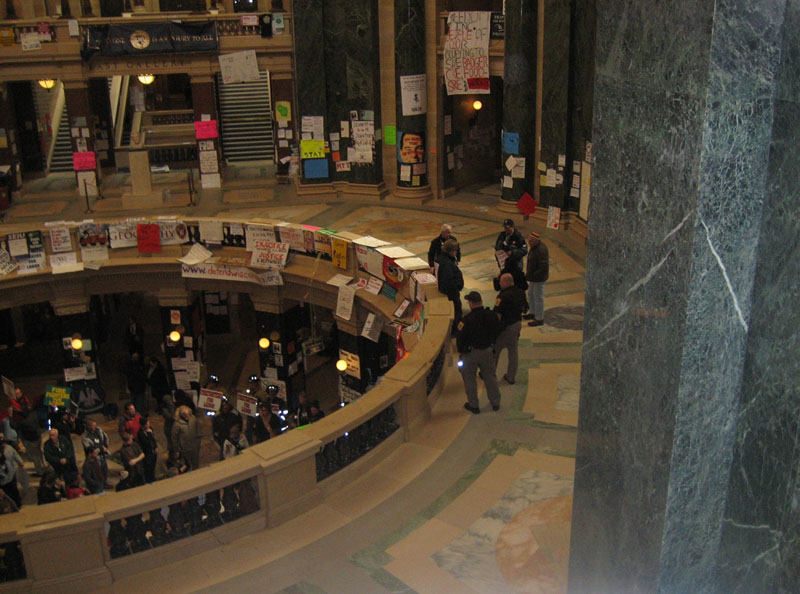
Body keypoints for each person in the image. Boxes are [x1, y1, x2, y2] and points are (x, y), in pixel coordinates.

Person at [457, 291, 502, 414]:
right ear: (481, 302)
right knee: (490, 377)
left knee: (470, 380)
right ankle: (495, 402)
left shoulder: (465, 320)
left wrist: (461, 352)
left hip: (470, 354)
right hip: (487, 351)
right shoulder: (491, 315)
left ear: (471, 303)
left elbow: (460, 340)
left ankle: (474, 405)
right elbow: (497, 330)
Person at [493, 273, 528, 384]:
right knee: (513, 352)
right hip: (517, 324)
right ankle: (511, 376)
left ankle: (490, 375)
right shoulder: (520, 292)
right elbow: (525, 308)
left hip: (506, 328)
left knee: (495, 351)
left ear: (506, 282)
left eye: (501, 282)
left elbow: (497, 315)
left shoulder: (502, 296)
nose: (499, 283)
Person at [11, 393, 45, 476]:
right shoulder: (34, 414)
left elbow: (14, 426)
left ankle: (40, 471)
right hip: (37, 437)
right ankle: (42, 466)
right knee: (38, 453)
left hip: (30, 440)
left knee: (34, 456)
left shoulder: (25, 421)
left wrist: (11, 416)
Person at [436, 239, 464, 334]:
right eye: (455, 250)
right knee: (456, 311)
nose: (456, 252)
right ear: (450, 251)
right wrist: (457, 287)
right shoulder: (447, 263)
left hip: (445, 289)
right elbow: (449, 281)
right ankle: (456, 330)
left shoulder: (440, 258)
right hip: (451, 293)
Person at [525, 231, 550, 326]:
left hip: (539, 279)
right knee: (530, 294)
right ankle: (532, 312)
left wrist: (532, 275)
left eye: (531, 241)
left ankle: (539, 319)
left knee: (538, 298)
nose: (529, 243)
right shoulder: (534, 247)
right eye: (528, 241)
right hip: (533, 277)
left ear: (536, 241)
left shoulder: (541, 250)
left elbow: (543, 267)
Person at [171, 405, 202, 471]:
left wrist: (198, 441)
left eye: (188, 414)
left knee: (195, 463)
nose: (187, 416)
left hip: (194, 446)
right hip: (184, 448)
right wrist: (176, 449)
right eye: (184, 414)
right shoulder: (177, 424)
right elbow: (174, 438)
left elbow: (198, 429)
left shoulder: (193, 419)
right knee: (187, 464)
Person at [81, 419, 110, 484]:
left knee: (104, 469)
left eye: (95, 425)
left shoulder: (98, 431)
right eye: (93, 426)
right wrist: (100, 449)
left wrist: (105, 446)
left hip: (102, 455)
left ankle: (104, 483)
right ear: (89, 426)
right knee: (97, 471)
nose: (95, 427)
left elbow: (105, 437)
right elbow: (89, 448)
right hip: (94, 457)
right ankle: (98, 483)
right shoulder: (85, 436)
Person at [0, 436, 23, 509]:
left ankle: (18, 505)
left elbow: (15, 455)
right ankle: (9, 507)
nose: (4, 445)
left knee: (14, 491)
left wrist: (20, 462)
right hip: (2, 479)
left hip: (11, 474)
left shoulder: (9, 449)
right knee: (6, 495)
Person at [137, 418, 158, 483]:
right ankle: (148, 479)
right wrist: (149, 434)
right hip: (147, 452)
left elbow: (153, 440)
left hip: (153, 451)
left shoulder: (150, 429)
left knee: (153, 465)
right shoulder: (140, 433)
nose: (148, 425)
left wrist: (155, 446)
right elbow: (147, 442)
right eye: (147, 424)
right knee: (148, 466)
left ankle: (153, 477)